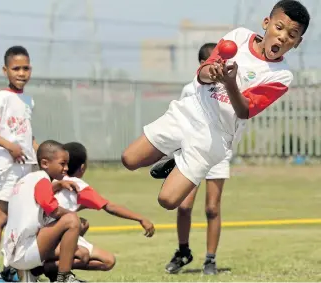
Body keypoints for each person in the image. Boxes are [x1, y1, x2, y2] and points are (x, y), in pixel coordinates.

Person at [121, 0, 309, 248]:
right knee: (129, 159)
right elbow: (203, 72)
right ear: (266, 23)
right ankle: (177, 154)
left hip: (215, 137)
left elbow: (244, 111)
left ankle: (178, 159)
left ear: (297, 42)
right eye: (279, 27)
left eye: (292, 35)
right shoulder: (239, 36)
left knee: (167, 200)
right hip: (191, 111)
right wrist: (214, 73)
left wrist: (230, 82)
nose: (282, 37)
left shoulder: (281, 75)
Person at [149, 43, 231, 275]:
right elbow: (182, 122)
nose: (219, 65)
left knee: (212, 209)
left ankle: (210, 259)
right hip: (191, 153)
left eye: (222, 61)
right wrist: (173, 153)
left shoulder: (230, 88)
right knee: (184, 206)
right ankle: (183, 251)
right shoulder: (191, 88)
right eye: (214, 61)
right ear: (202, 65)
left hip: (217, 155)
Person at [34, 141, 155, 281]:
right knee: (106, 260)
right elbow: (110, 207)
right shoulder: (78, 186)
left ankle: (52, 269)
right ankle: (50, 268)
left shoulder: (48, 179)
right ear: (82, 167)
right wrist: (140, 218)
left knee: (83, 223)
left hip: (36, 237)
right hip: (44, 243)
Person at [0, 46, 39, 282]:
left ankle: (10, 267)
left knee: (19, 219)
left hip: (26, 166)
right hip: (7, 166)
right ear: (5, 70)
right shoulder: (2, 97)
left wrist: (40, 156)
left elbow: (26, 134)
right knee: (0, 218)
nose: (22, 73)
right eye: (16, 68)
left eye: (26, 68)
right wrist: (9, 146)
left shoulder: (28, 100)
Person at [2, 140, 87, 283]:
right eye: (62, 163)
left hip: (14, 252)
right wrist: (73, 215)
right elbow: (53, 210)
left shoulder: (29, 179)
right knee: (72, 220)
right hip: (23, 253)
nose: (66, 168)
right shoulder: (42, 180)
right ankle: (63, 278)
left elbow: (38, 195)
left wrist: (58, 184)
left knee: (82, 253)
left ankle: (33, 272)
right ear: (45, 163)